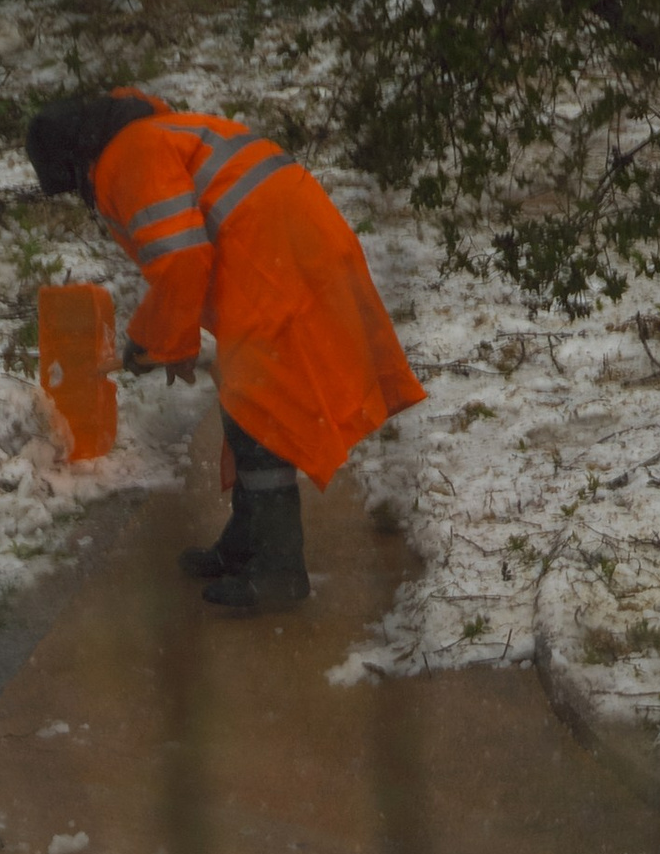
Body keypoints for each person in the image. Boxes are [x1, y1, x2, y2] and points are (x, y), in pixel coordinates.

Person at [23, 89, 425, 618]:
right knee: (247, 401)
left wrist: (158, 340)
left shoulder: (129, 156)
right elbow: (192, 250)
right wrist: (174, 335)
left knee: (263, 412)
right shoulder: (159, 136)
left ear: (77, 161)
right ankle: (247, 541)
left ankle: (280, 569)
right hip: (288, 252)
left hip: (280, 265)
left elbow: (182, 257)